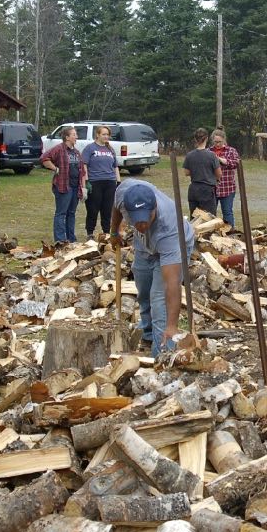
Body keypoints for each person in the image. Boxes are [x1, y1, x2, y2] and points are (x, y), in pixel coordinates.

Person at [110, 179, 195, 358]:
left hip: (170, 243)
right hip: (143, 244)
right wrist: (114, 232)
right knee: (143, 289)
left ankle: (162, 355)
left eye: (146, 219)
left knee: (159, 299)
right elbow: (116, 208)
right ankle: (147, 336)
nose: (141, 225)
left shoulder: (169, 227)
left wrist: (172, 326)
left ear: (154, 208)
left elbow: (171, 284)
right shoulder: (124, 192)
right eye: (136, 220)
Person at [40, 126, 86, 244]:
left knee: (71, 213)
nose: (76, 137)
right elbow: (44, 158)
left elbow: (81, 170)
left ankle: (71, 239)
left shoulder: (76, 152)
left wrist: (84, 186)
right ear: (67, 137)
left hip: (76, 186)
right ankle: (60, 240)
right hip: (63, 186)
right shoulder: (59, 149)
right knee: (61, 213)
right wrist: (55, 169)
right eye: (74, 134)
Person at [81, 125, 121, 241]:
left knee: (107, 209)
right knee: (93, 209)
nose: (106, 136)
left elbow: (115, 166)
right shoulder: (90, 148)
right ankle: (90, 233)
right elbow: (84, 165)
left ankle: (106, 232)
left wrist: (118, 181)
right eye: (103, 134)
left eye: (107, 134)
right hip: (95, 181)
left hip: (109, 182)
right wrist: (87, 181)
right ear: (97, 135)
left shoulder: (110, 149)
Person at [183, 127, 222, 216]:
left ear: (195, 139)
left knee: (194, 216)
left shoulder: (190, 155)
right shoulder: (212, 155)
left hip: (193, 189)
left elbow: (186, 172)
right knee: (209, 218)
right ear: (207, 138)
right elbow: (219, 174)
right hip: (207, 190)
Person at [210, 129, 240, 228]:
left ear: (224, 140)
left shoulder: (231, 150)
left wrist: (222, 160)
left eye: (219, 142)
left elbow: (236, 163)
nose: (217, 144)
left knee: (227, 213)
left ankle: (231, 233)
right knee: (210, 214)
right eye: (215, 142)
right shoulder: (208, 151)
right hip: (212, 188)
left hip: (227, 188)